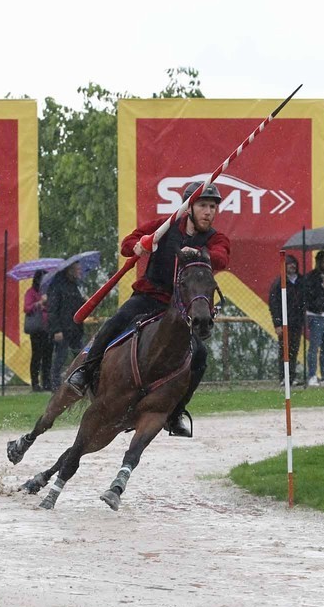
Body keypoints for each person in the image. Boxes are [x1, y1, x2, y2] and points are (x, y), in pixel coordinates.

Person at [65, 181, 230, 437]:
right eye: (203, 206)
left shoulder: (215, 239)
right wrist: (139, 244)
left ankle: (175, 413)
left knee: (199, 355)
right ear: (188, 208)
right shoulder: (164, 227)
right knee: (113, 324)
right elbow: (126, 244)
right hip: (148, 297)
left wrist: (198, 252)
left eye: (212, 206)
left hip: (180, 311)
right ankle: (84, 374)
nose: (209, 212)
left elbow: (221, 258)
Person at [46, 261, 86, 390]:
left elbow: (76, 306)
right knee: (60, 358)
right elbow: (52, 310)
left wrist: (84, 301)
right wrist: (56, 330)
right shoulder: (57, 287)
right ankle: (56, 385)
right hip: (63, 329)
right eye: (77, 268)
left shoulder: (74, 286)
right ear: (70, 270)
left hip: (75, 328)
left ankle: (82, 382)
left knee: (81, 357)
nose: (79, 271)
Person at [268, 254, 306, 386]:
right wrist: (277, 323)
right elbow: (274, 304)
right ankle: (283, 377)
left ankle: (292, 376)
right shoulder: (279, 283)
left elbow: (304, 300)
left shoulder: (301, 281)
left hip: (297, 321)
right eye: (290, 264)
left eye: (294, 264)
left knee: (294, 350)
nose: (293, 266)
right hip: (284, 321)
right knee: (284, 350)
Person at [302, 249, 324, 387]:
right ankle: (312, 375)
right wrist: (323, 285)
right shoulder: (311, 277)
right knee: (314, 346)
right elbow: (309, 296)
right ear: (318, 262)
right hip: (317, 315)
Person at [24, 270, 52, 391]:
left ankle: (46, 382)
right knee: (37, 356)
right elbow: (27, 308)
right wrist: (40, 303)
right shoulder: (31, 292)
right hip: (37, 329)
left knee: (48, 356)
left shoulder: (49, 292)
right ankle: (35, 383)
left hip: (49, 328)